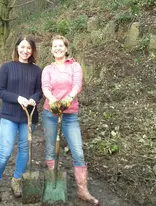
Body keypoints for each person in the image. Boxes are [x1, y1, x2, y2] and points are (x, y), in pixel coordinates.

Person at [41, 35, 100, 205]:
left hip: (70, 115)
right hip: (50, 114)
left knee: (78, 152)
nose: (58, 48)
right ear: (51, 50)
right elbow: (45, 86)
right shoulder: (48, 69)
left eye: (61, 46)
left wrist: (68, 99)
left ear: (66, 48)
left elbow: (77, 85)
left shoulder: (75, 66)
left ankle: (83, 190)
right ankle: (53, 184)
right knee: (52, 149)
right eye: (55, 46)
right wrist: (52, 100)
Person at [0, 36, 42, 202]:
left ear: (32, 51)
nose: (25, 51)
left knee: (24, 150)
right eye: (22, 47)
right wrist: (18, 98)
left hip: (29, 116)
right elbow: (0, 90)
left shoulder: (37, 70)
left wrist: (34, 98)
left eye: (29, 48)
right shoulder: (7, 67)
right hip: (10, 115)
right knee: (5, 152)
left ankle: (17, 180)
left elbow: (40, 90)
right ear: (17, 47)